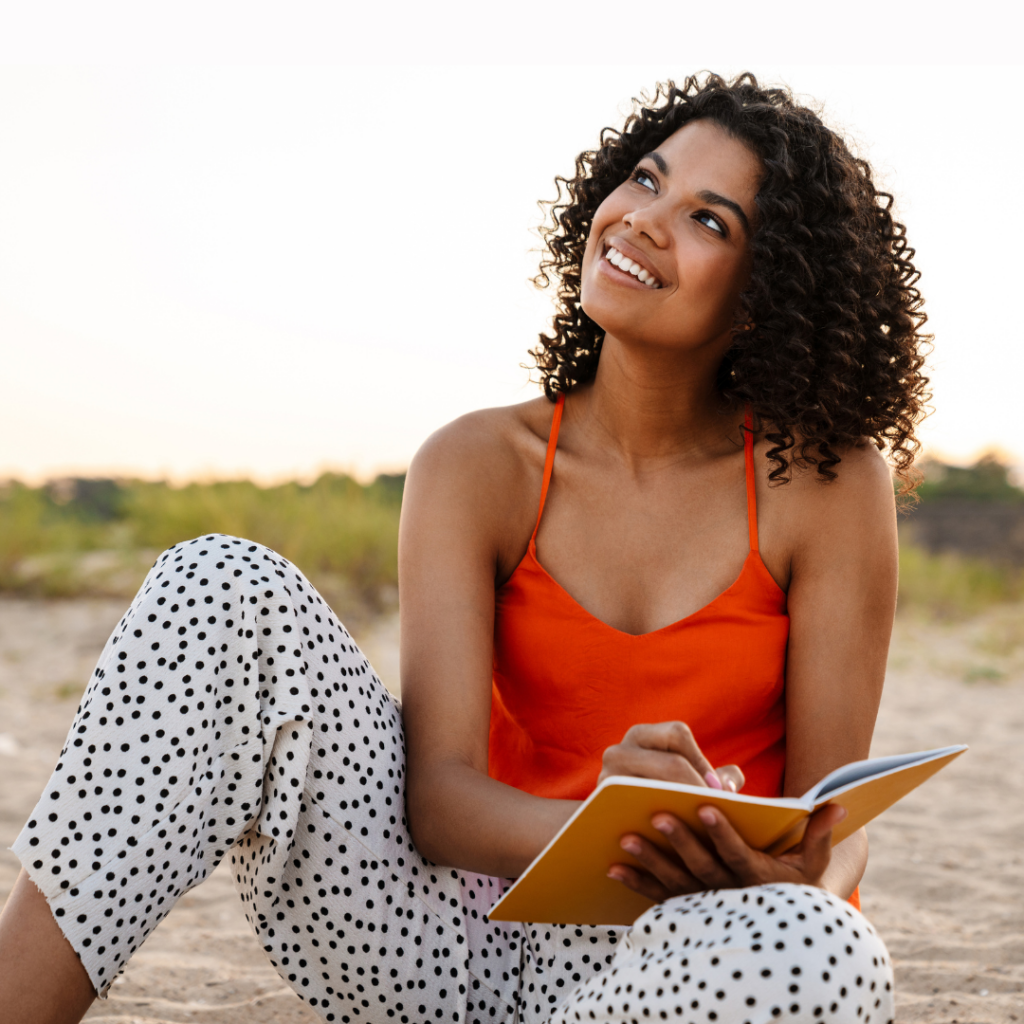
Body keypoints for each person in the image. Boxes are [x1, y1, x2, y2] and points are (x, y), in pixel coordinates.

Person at [0, 73, 928, 1024]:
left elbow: (834, 819)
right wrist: (609, 825)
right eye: (645, 181)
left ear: (763, 299)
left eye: (710, 221)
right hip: (454, 945)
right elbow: (437, 802)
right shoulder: (477, 463)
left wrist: (804, 870)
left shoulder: (826, 481)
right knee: (219, 583)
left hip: (699, 956)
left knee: (828, 944)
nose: (645, 221)